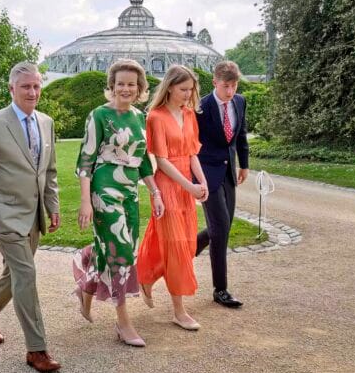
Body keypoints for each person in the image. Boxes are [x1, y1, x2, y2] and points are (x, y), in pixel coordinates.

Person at [0, 61, 62, 373]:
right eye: (25, 87)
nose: (32, 92)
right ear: (11, 89)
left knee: (15, 274)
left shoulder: (46, 122)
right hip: (4, 214)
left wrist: (53, 205)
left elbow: (49, 171)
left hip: (33, 216)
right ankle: (37, 349)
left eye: (36, 86)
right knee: (26, 275)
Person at [73, 59, 164, 347]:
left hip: (130, 192)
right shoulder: (98, 116)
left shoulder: (139, 117)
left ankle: (86, 283)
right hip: (104, 189)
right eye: (120, 83)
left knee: (117, 248)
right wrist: (86, 202)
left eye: (132, 84)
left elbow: (144, 162)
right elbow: (85, 162)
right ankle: (123, 322)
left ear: (140, 88)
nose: (126, 88)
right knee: (122, 251)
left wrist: (155, 192)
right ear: (111, 86)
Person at [137, 64, 208, 331]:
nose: (189, 95)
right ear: (169, 87)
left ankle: (146, 276)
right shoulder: (155, 116)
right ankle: (179, 311)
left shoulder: (189, 114)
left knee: (186, 244)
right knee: (177, 248)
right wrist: (189, 186)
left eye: (191, 90)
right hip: (168, 185)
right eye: (183, 89)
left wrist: (201, 181)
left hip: (186, 186)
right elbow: (163, 162)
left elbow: (192, 154)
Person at [195, 60, 249, 308]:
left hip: (229, 172)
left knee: (221, 228)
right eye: (226, 86)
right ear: (215, 82)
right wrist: (195, 179)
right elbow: (191, 147)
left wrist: (244, 164)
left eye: (234, 85)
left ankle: (187, 250)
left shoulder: (239, 101)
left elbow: (241, 136)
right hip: (207, 174)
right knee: (220, 229)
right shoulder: (201, 107)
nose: (231, 91)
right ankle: (221, 290)